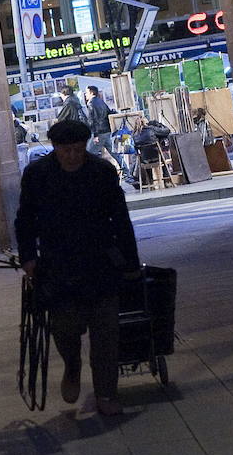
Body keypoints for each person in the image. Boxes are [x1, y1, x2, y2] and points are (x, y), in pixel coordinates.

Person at [14, 118, 140, 416]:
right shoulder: (37, 175)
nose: (72, 155)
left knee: (106, 332)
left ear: (85, 146)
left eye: (77, 149)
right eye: (65, 150)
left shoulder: (101, 173)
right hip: (58, 265)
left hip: (100, 262)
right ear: (55, 148)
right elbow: (25, 219)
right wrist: (29, 257)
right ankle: (72, 365)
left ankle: (106, 394)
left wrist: (130, 262)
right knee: (65, 328)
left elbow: (120, 219)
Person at [85, 84, 124, 171]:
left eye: (86, 92)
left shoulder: (91, 104)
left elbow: (92, 120)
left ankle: (92, 173)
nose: (85, 94)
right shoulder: (101, 101)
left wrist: (95, 135)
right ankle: (126, 171)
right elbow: (108, 113)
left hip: (99, 132)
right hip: (107, 130)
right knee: (114, 152)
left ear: (91, 93)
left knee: (88, 154)